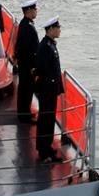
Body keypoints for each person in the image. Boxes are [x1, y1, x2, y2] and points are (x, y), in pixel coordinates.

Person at [34, 16, 64, 161]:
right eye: (57, 27)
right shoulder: (45, 47)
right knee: (45, 119)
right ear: (51, 29)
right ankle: (43, 151)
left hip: (51, 89)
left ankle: (48, 147)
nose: (59, 30)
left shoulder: (50, 44)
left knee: (49, 119)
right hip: (47, 89)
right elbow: (42, 68)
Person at [14, 0, 39, 124]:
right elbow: (27, 49)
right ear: (28, 10)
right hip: (27, 65)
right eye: (35, 9)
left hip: (25, 64)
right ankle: (24, 115)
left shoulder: (26, 24)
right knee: (26, 89)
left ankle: (24, 112)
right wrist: (32, 65)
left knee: (25, 89)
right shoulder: (27, 26)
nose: (36, 11)